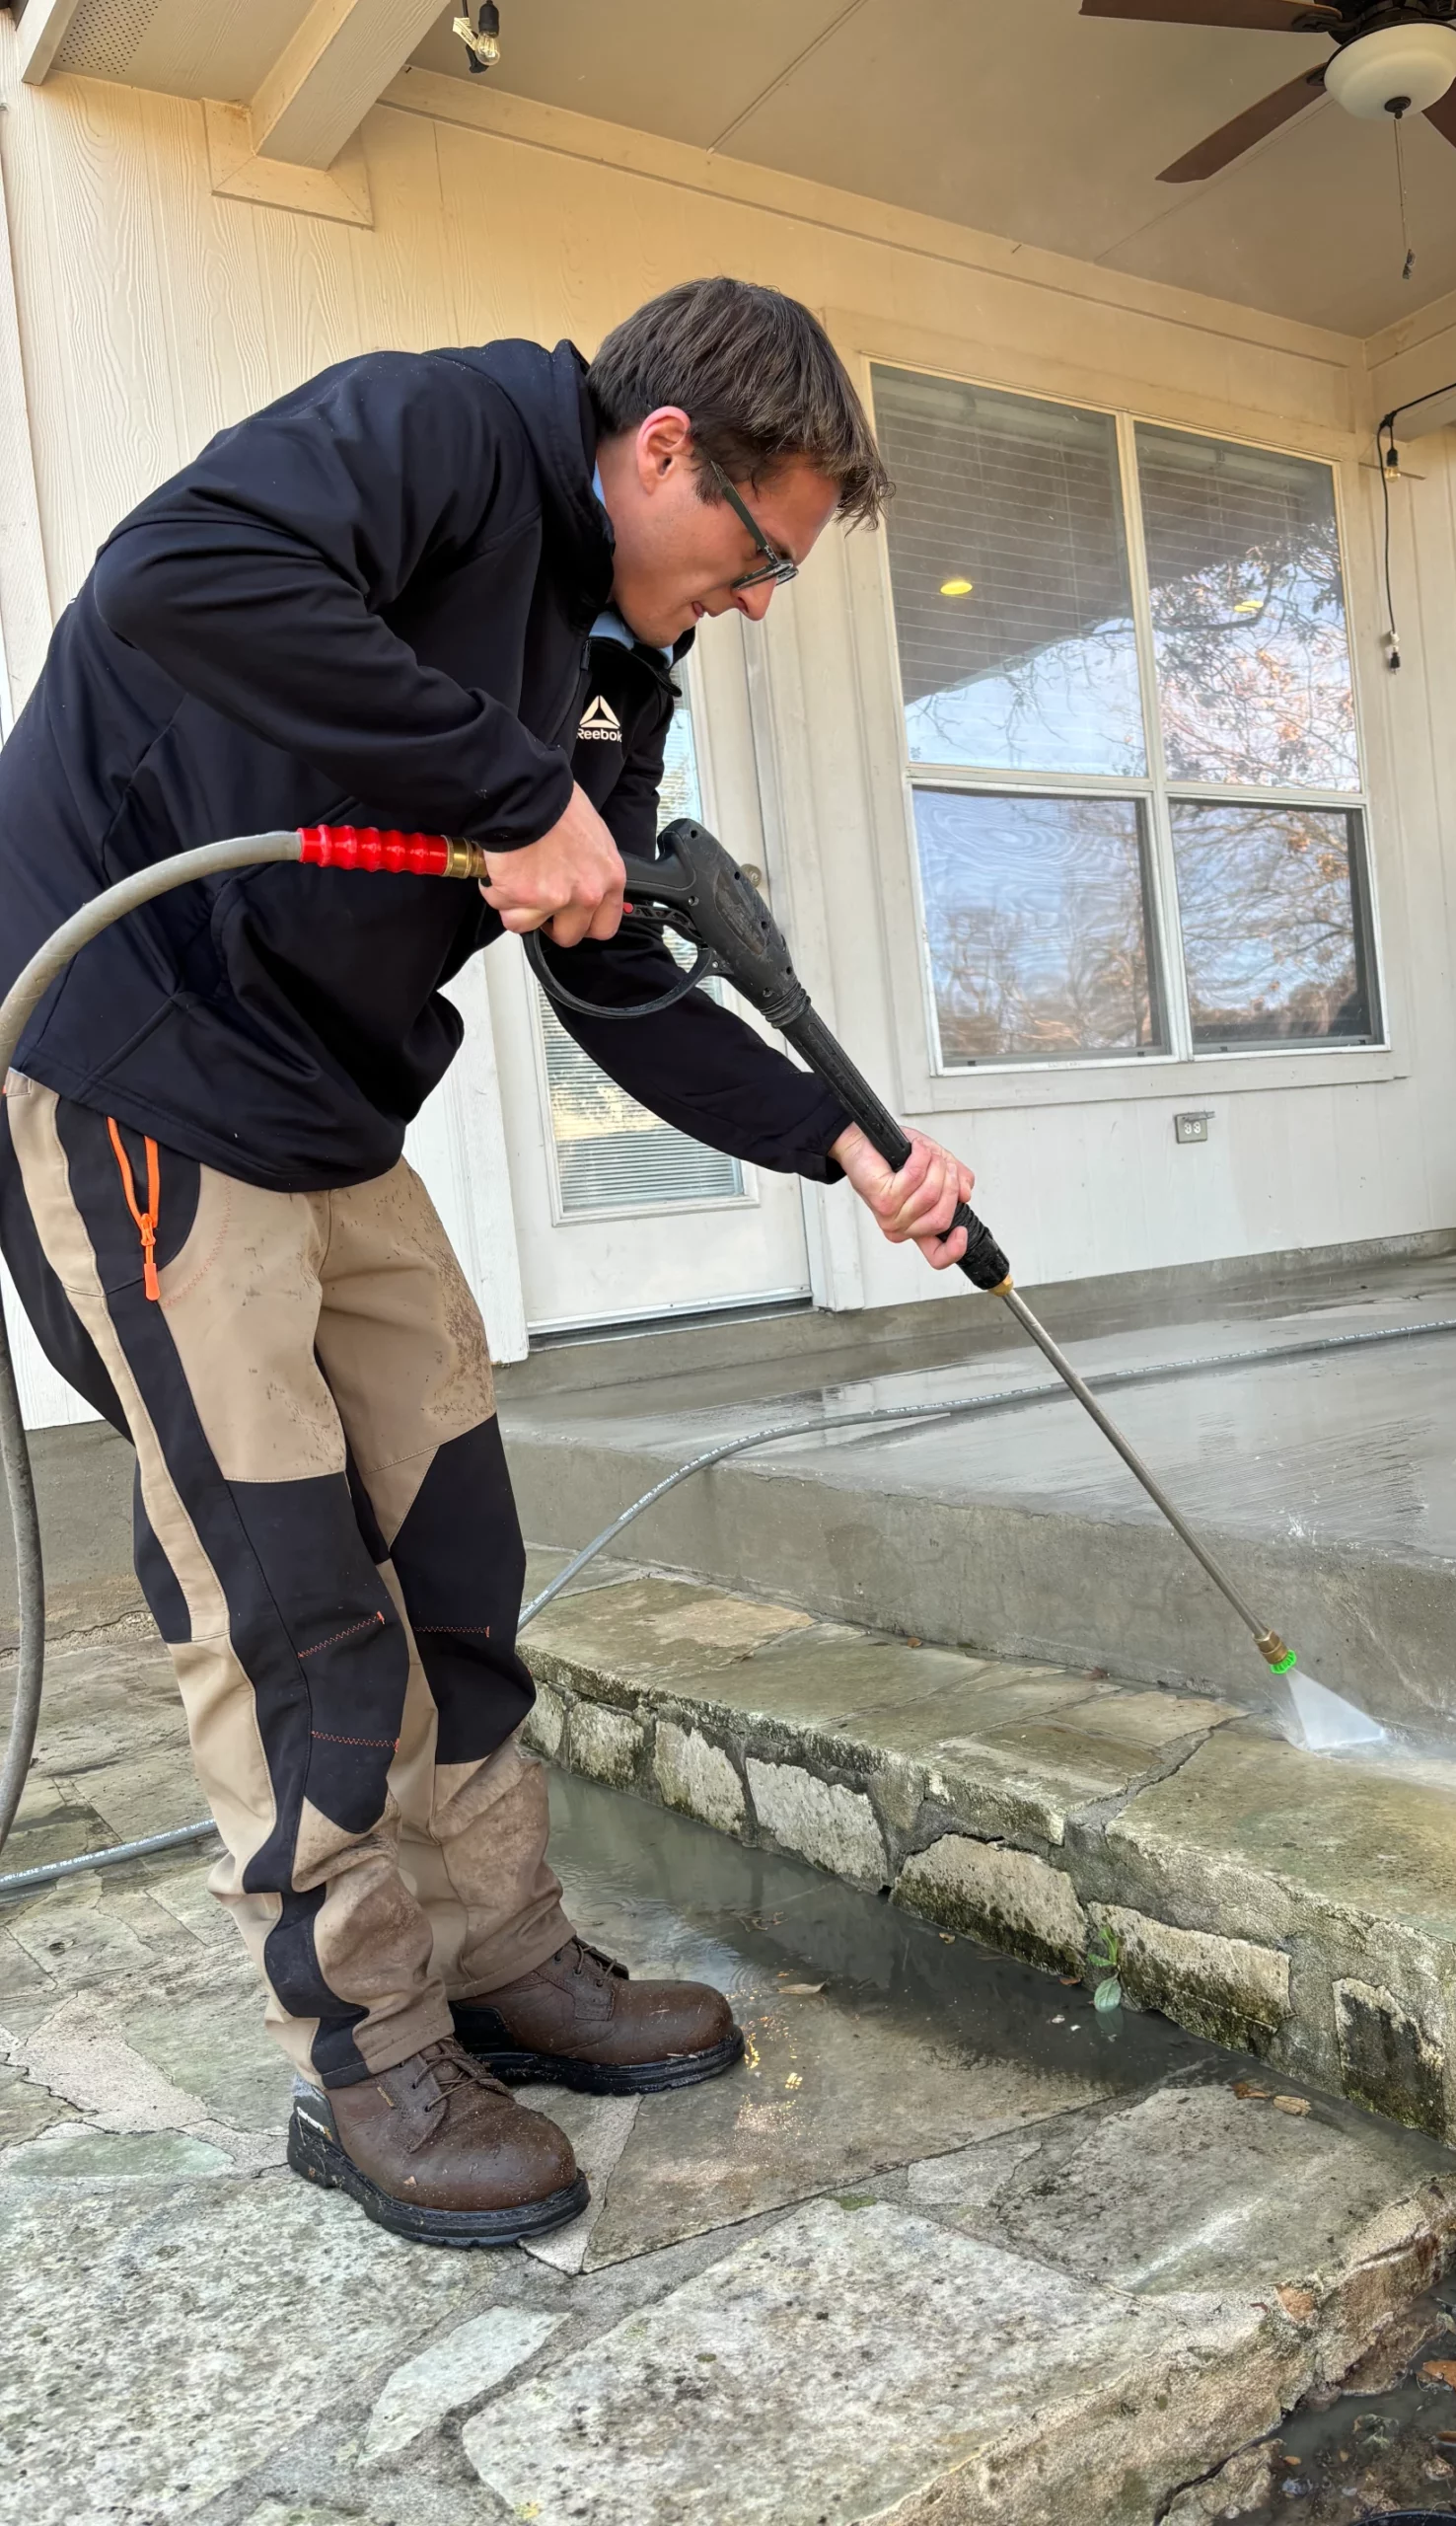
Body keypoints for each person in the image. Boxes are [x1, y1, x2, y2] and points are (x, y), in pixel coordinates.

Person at [0, 275, 974, 2247]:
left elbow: (611, 963)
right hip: (131, 1052)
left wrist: (840, 1140)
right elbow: (174, 577)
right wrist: (503, 785)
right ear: (665, 447)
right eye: (761, 549)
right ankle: (366, 2049)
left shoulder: (626, 663)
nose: (764, 596)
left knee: (453, 1536)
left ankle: (504, 1953)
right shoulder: (449, 434)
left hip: (328, 1107)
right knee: (290, 1596)